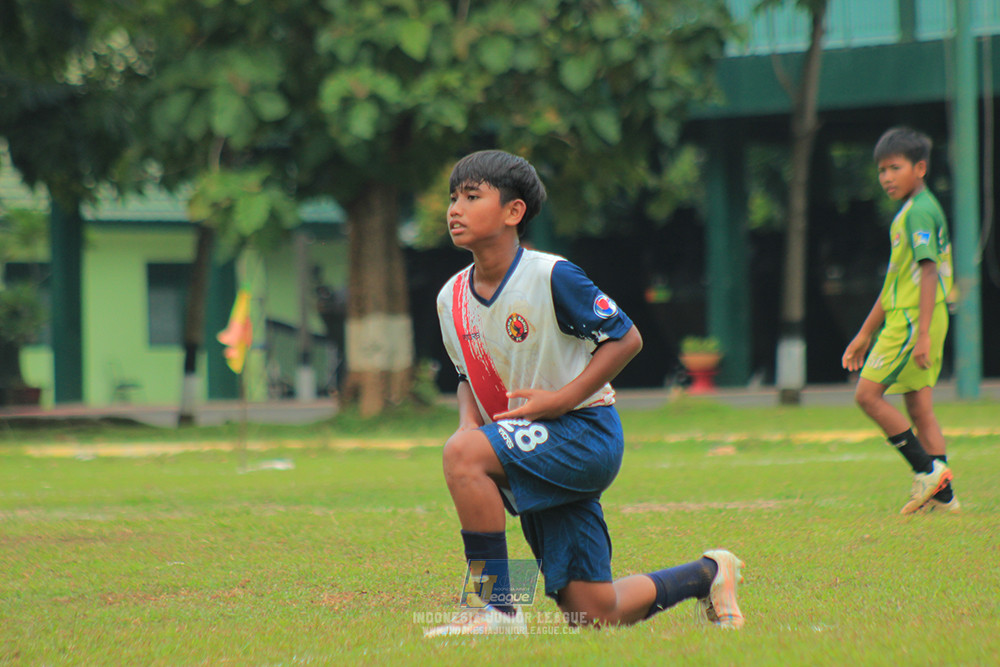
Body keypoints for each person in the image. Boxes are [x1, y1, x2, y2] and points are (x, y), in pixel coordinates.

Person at [425, 149, 745, 637]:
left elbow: (626, 338)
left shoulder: (551, 274)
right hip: (529, 442)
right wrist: (470, 425)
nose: (455, 209)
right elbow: (464, 373)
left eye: (471, 197)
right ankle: (709, 574)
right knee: (594, 612)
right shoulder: (451, 297)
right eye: (453, 198)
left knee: (462, 455)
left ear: (514, 213)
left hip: (583, 433)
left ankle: (493, 610)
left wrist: (559, 400)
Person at [841, 127, 958, 514]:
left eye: (895, 168)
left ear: (919, 168)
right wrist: (865, 333)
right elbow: (896, 280)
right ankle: (944, 499)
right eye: (881, 171)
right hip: (915, 315)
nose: (887, 177)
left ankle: (927, 472)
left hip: (912, 320)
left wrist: (921, 333)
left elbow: (927, 272)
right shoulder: (912, 210)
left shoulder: (919, 211)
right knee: (920, 407)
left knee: (867, 395)